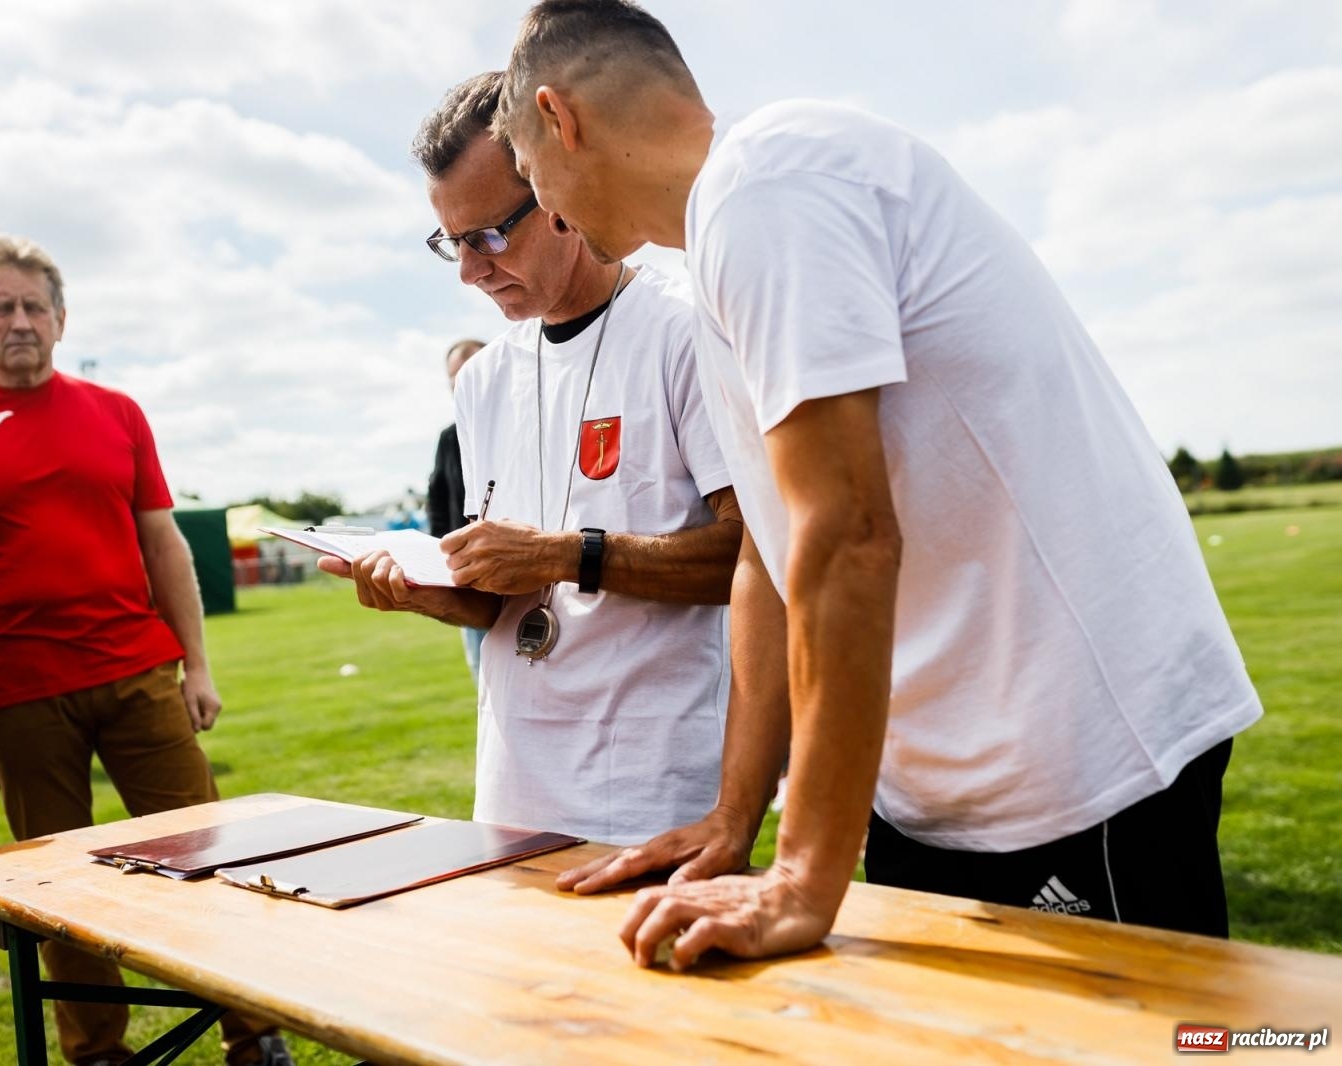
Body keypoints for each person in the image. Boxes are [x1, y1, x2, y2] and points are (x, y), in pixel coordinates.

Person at [495, 0, 1264, 967]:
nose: (551, 211)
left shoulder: (769, 182)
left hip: (1075, 763)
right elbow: (773, 564)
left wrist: (804, 878)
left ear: (562, 119)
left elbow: (847, 534)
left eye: (530, 175)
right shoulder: (726, 252)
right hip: (939, 792)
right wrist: (735, 818)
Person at [0, 236, 290, 1066]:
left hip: (139, 674)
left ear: (63, 320)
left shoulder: (116, 413)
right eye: (1, 307)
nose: (21, 321)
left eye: (36, 306)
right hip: (15, 693)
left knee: (210, 856)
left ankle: (252, 1036)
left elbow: (165, 546)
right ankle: (99, 1053)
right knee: (60, 893)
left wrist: (198, 666)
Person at [320, 71, 742, 846]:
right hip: (515, 786)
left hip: (651, 787)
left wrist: (564, 553)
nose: (469, 270)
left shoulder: (684, 330)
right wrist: (425, 590)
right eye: (451, 242)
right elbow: (502, 604)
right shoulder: (483, 380)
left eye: (487, 235)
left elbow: (751, 560)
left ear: (556, 194)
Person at [427, 337, 488, 680]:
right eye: (454, 378)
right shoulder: (449, 438)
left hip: (521, 580)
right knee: (481, 676)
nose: (461, 384)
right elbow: (437, 497)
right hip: (466, 581)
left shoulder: (528, 425)